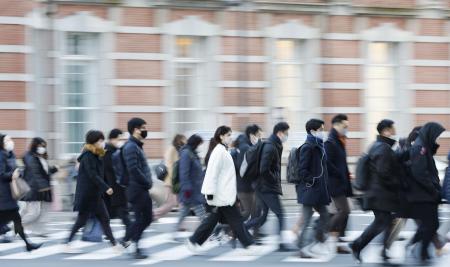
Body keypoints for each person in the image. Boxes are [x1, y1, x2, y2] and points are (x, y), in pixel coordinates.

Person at [186, 126, 255, 254]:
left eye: (231, 135)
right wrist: (210, 192)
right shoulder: (219, 152)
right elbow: (212, 173)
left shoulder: (223, 150)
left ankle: (193, 241)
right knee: (235, 220)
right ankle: (249, 244)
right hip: (220, 195)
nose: (230, 138)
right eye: (228, 135)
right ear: (221, 136)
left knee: (212, 221)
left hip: (224, 194)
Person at [350, 119, 404, 263]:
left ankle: (382, 250)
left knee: (386, 221)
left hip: (379, 193)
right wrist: (397, 182)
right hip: (379, 193)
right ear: (386, 130)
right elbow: (384, 172)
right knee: (382, 221)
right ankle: (357, 244)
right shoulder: (382, 148)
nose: (395, 131)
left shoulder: (379, 146)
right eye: (393, 128)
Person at [65, 130, 120, 253]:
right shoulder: (88, 156)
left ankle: (115, 245)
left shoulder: (97, 154)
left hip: (94, 194)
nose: (103, 143)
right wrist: (106, 187)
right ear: (94, 142)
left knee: (104, 218)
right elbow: (93, 175)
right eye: (100, 141)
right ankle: (67, 244)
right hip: (87, 195)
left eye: (102, 140)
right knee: (82, 221)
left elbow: (100, 174)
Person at [245, 122, 291, 251]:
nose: (287, 136)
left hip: (262, 186)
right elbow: (264, 169)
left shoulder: (274, 144)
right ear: (279, 133)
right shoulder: (271, 146)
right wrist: (273, 181)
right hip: (266, 187)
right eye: (286, 133)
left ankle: (241, 229)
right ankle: (281, 244)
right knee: (281, 214)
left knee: (263, 216)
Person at [404, 122, 445, 264]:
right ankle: (421, 252)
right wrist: (433, 189)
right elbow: (419, 172)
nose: (437, 138)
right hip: (423, 194)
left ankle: (421, 250)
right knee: (431, 224)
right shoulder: (420, 147)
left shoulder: (424, 145)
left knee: (430, 224)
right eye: (436, 135)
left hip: (425, 193)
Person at [0, 134, 42, 252]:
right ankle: (27, 244)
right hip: (3, 194)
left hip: (10, 193)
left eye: (10, 139)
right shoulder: (0, 155)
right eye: (7, 140)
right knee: (13, 219)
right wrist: (11, 175)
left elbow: (16, 169)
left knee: (16, 219)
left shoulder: (11, 154)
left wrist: (19, 173)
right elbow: (1, 174)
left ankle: (27, 244)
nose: (10, 142)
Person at [296, 119, 331, 258]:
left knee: (325, 215)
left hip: (317, 189)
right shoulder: (308, 147)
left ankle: (315, 240)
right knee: (307, 218)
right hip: (310, 189)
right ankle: (303, 246)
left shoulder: (318, 146)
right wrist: (313, 181)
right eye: (321, 130)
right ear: (313, 131)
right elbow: (302, 170)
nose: (323, 132)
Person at [121, 118, 153, 259]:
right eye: (143, 128)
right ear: (135, 129)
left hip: (140, 187)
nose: (145, 130)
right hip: (137, 188)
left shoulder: (136, 145)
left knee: (146, 218)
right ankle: (135, 245)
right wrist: (146, 182)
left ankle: (128, 239)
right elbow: (133, 169)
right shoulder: (131, 147)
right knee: (142, 218)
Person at [324, 114, 352, 254]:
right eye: (345, 126)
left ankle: (338, 243)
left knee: (341, 214)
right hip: (335, 184)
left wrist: (346, 175)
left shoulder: (340, 140)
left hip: (342, 183)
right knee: (344, 211)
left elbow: (341, 163)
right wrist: (340, 174)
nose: (347, 128)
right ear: (336, 125)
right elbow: (327, 164)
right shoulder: (330, 142)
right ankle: (323, 230)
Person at [20, 137, 58, 237]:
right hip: (34, 188)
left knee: (44, 211)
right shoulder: (30, 157)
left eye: (44, 146)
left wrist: (53, 169)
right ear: (35, 145)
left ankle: (39, 230)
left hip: (44, 188)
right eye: (40, 146)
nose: (43, 148)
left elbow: (44, 172)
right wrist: (43, 185)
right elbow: (35, 173)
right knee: (34, 213)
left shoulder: (42, 157)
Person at [175, 134, 206, 236]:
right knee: (200, 213)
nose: (200, 146)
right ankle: (209, 232)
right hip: (190, 191)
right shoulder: (186, 153)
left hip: (195, 190)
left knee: (185, 213)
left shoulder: (192, 153)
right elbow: (184, 173)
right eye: (199, 144)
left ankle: (173, 232)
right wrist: (187, 189)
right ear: (195, 143)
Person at [154, 134, 186, 220]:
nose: (185, 142)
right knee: (170, 204)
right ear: (179, 140)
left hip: (175, 182)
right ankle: (151, 215)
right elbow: (170, 165)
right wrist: (175, 178)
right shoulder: (171, 149)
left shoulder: (178, 150)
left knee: (180, 203)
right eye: (183, 140)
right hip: (171, 182)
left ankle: (180, 224)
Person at [104, 129, 130, 232]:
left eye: (122, 139)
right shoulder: (107, 152)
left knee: (115, 211)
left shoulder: (117, 150)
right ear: (111, 139)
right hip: (112, 186)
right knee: (121, 211)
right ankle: (129, 230)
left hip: (117, 186)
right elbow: (109, 169)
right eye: (119, 139)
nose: (121, 141)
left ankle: (108, 233)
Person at [234, 124, 262, 221]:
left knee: (254, 211)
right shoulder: (245, 148)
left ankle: (254, 233)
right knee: (247, 213)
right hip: (244, 186)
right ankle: (226, 228)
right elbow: (242, 168)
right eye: (258, 135)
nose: (259, 138)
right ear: (251, 135)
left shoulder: (247, 146)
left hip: (248, 186)